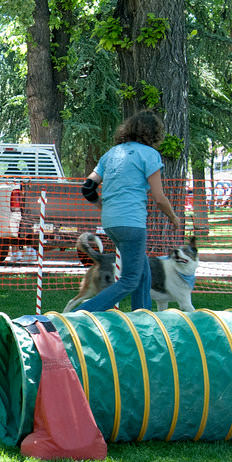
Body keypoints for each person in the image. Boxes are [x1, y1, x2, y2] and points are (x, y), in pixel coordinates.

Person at [76, 110, 181, 312]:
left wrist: (101, 205)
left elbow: (87, 187)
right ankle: (81, 313)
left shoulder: (111, 154)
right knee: (130, 279)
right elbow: (159, 198)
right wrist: (173, 217)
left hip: (110, 222)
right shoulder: (150, 155)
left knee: (143, 273)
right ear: (154, 133)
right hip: (131, 222)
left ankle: (143, 318)